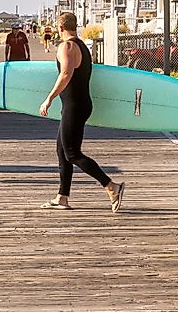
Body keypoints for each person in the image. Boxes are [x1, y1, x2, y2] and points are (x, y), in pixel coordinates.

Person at [39, 12, 124, 212]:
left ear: (60, 28)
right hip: (77, 104)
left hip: (75, 106)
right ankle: (62, 197)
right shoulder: (82, 46)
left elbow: (66, 73)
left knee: (72, 153)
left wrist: (49, 98)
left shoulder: (67, 46)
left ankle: (112, 186)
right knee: (62, 151)